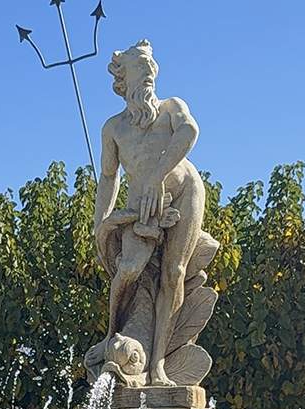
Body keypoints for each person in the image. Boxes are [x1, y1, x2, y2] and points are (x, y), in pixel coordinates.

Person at [94, 38, 207, 386]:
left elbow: (190, 131)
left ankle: (157, 365)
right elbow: (109, 177)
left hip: (184, 190)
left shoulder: (172, 107)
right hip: (139, 207)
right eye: (139, 67)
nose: (148, 73)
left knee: (173, 272)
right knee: (127, 270)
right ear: (123, 79)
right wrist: (101, 224)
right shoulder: (113, 128)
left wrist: (158, 176)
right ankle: (111, 336)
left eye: (150, 67)